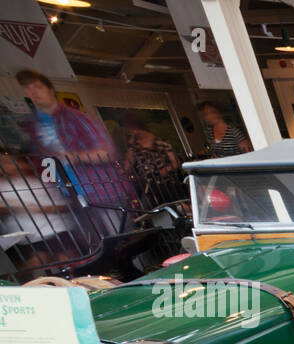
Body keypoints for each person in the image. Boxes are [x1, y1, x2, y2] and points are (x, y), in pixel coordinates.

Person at [15, 69, 134, 234]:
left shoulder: (75, 117)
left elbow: (107, 152)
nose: (33, 92)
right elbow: (45, 162)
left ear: (51, 90)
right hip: (70, 197)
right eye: (28, 88)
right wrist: (52, 187)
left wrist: (75, 157)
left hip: (101, 193)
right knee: (99, 246)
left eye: (37, 86)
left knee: (123, 239)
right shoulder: (35, 126)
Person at [121, 113, 181, 204]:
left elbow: (175, 162)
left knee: (175, 206)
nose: (133, 132)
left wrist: (164, 170)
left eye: (133, 129)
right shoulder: (134, 145)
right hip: (149, 186)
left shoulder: (160, 142)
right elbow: (128, 163)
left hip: (167, 184)